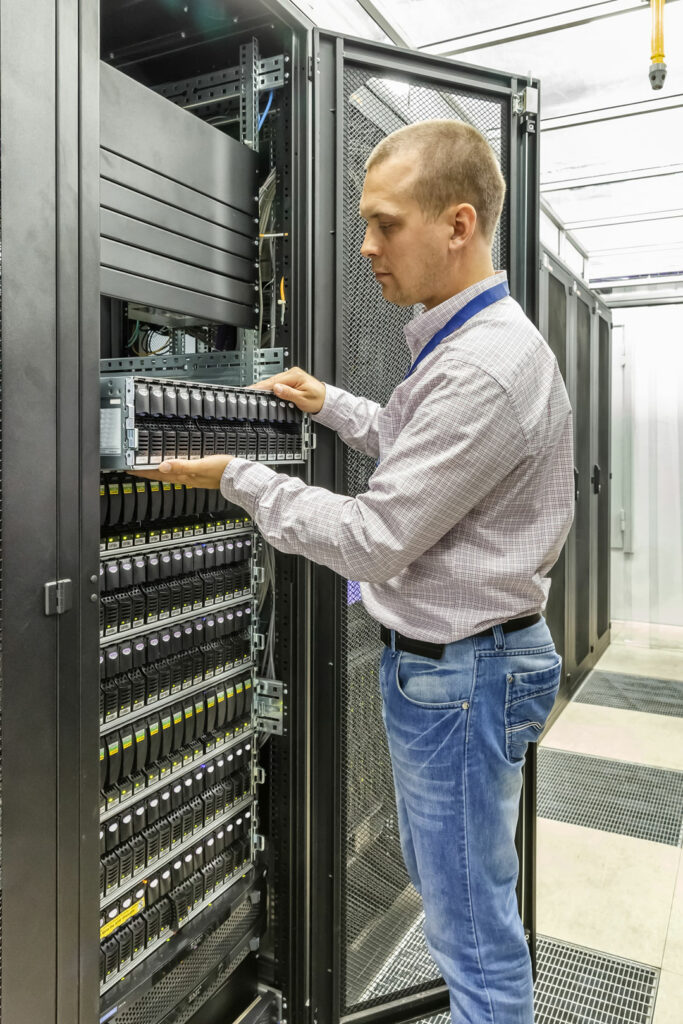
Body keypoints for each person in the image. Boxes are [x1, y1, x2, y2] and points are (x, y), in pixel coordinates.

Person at [132, 119, 574, 1023]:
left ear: (457, 225)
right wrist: (329, 404)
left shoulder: (481, 369)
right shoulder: (473, 343)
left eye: (384, 224)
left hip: (462, 678)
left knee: (473, 934)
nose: (365, 247)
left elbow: (374, 538)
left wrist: (238, 478)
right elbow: (430, 452)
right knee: (465, 898)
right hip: (467, 670)